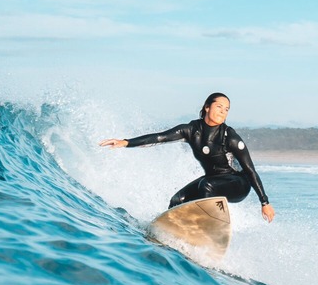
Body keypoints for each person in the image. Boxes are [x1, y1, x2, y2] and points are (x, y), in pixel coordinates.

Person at [100, 93, 275, 222]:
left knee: (206, 186)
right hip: (213, 180)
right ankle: (176, 229)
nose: (223, 112)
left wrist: (264, 202)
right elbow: (160, 137)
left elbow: (250, 170)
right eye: (219, 106)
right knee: (178, 200)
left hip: (238, 184)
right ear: (207, 107)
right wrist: (126, 142)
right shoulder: (191, 130)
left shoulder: (230, 137)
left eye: (227, 109)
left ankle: (207, 225)